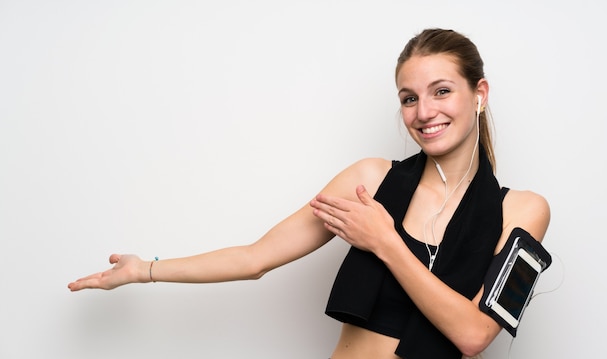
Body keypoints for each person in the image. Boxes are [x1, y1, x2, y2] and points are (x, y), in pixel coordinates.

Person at [68, 28, 550, 359]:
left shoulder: (523, 209)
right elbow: (256, 258)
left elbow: (473, 335)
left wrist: (385, 241)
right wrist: (145, 271)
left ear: (479, 93)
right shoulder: (370, 181)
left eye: (441, 91)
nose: (424, 112)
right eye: (408, 98)